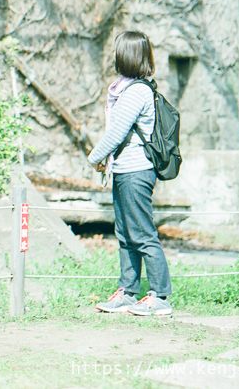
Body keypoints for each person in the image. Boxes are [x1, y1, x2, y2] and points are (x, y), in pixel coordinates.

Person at [87, 30, 172, 316]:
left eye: (118, 50)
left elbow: (116, 134)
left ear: (126, 56)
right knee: (125, 233)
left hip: (137, 171)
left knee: (143, 233)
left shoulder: (136, 91)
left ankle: (160, 296)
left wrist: (93, 158)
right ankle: (127, 291)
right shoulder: (125, 89)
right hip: (125, 170)